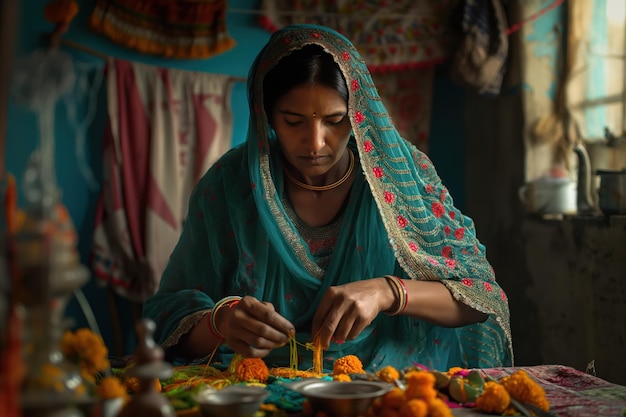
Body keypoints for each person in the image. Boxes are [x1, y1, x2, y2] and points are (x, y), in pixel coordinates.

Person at [143, 24, 513, 372]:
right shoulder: (230, 186)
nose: (316, 143)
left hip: (384, 387)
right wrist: (221, 323)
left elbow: (480, 297)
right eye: (293, 121)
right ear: (266, 116)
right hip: (256, 387)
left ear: (357, 116)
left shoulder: (401, 177)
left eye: (335, 121)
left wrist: (389, 291)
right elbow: (165, 321)